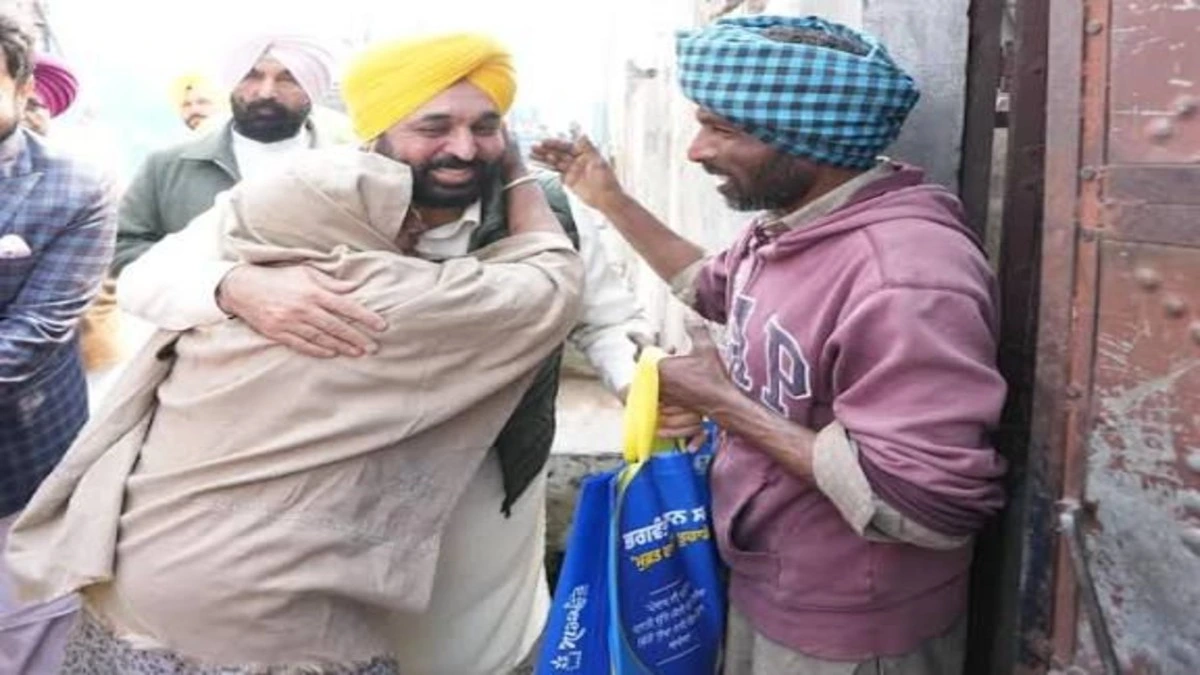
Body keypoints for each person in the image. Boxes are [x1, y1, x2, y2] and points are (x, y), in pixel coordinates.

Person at [114, 32, 655, 672]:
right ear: (377, 132)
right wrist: (236, 287)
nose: (464, 148)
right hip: (326, 506)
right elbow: (144, 280)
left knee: (466, 652)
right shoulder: (307, 193)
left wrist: (641, 387)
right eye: (434, 127)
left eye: (485, 127)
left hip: (482, 500)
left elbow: (607, 322)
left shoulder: (546, 212)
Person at [533, 15, 1007, 675]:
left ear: (805, 140)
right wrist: (608, 199)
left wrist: (723, 403)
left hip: (849, 629)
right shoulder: (792, 225)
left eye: (722, 129)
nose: (695, 150)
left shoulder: (906, 276)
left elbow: (924, 507)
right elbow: (712, 288)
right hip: (764, 578)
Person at [7, 145, 584, 673]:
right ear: (334, 219)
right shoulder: (374, 295)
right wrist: (518, 175)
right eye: (395, 211)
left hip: (132, 579)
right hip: (263, 618)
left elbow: (151, 272)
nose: (416, 227)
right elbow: (553, 282)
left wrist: (229, 283)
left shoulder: (228, 293)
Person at [0, 13, 117, 674]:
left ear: (22, 88)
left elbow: (33, 335)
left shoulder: (75, 186)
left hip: (19, 463)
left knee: (27, 635)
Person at [111, 34, 344, 273]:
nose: (266, 92)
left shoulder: (347, 175)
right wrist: (219, 281)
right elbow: (122, 247)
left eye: (288, 79)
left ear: (312, 88)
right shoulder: (167, 167)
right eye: (252, 76)